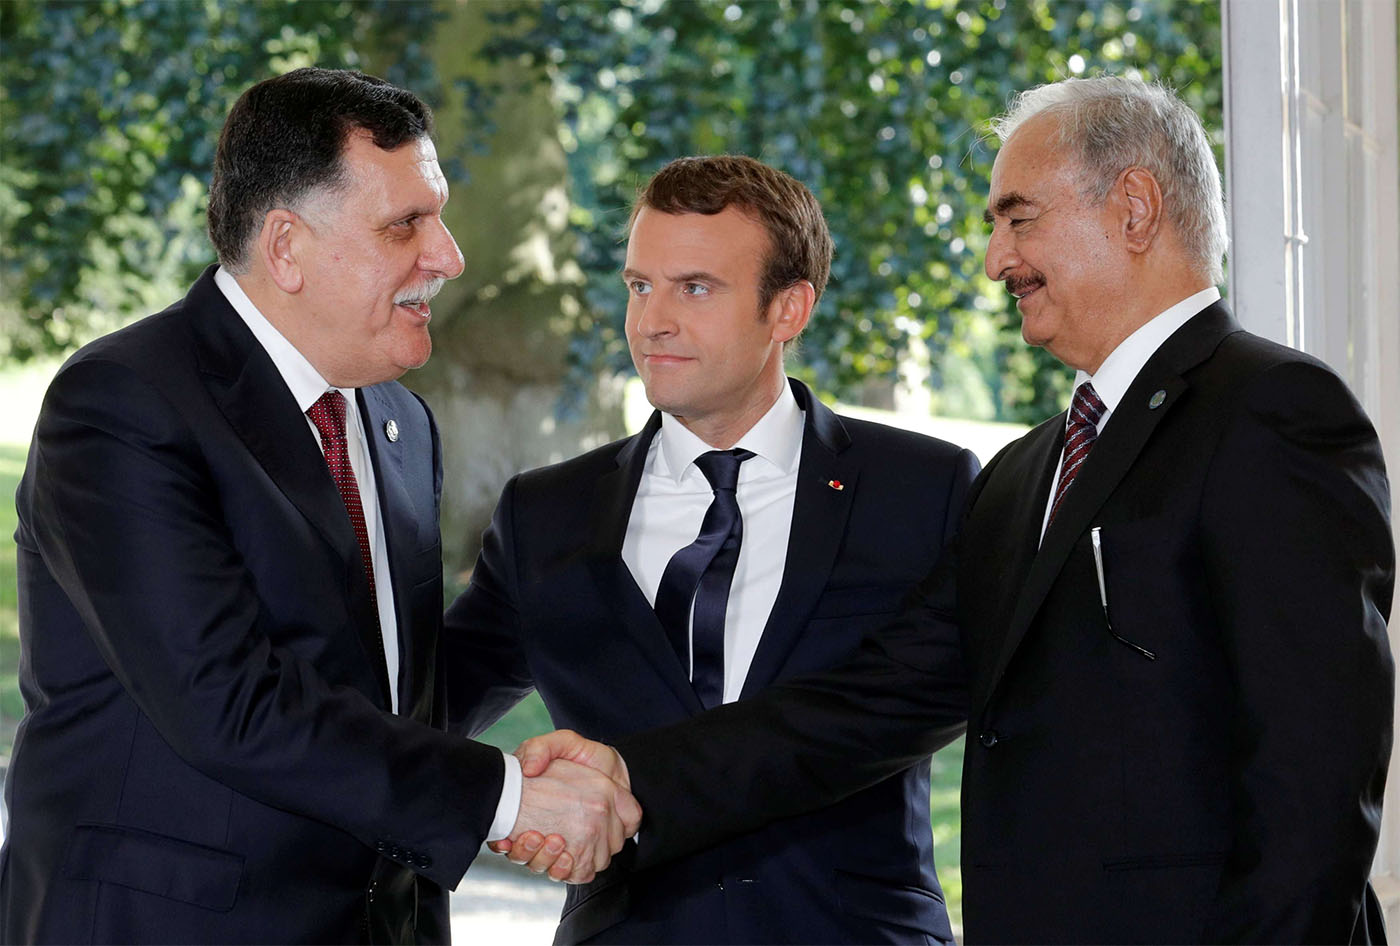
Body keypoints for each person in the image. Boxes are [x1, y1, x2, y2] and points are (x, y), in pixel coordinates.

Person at [511, 77, 1396, 944]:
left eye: (1019, 218)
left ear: (1133, 208)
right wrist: (631, 772)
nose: (996, 259)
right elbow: (874, 703)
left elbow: (1314, 779)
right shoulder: (1023, 473)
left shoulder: (1271, 410)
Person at [1, 67, 637, 944]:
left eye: (438, 215)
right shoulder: (121, 405)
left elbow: (378, 699)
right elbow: (229, 703)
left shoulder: (397, 419)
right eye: (405, 225)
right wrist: (508, 798)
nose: (448, 256)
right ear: (287, 246)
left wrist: (549, 594)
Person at [445, 154, 979, 943]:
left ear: (788, 309)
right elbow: (418, 708)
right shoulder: (545, 514)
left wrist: (628, 779)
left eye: (694, 288)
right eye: (638, 285)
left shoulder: (921, 492)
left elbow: (904, 703)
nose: (651, 320)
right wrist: (513, 799)